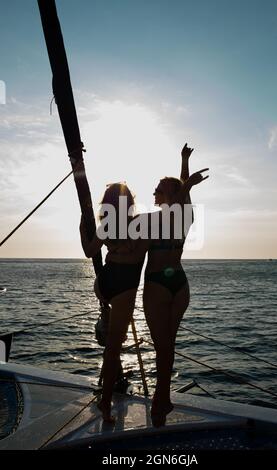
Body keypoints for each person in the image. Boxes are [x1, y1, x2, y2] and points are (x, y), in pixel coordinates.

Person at [143, 143, 209, 427]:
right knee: (166, 345)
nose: (154, 193)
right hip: (178, 284)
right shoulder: (183, 217)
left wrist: (185, 180)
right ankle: (163, 397)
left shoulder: (159, 219)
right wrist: (184, 162)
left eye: (158, 189)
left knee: (163, 345)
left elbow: (182, 196)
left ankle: (160, 400)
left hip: (160, 284)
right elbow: (183, 195)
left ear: (168, 194)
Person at [80, 182, 148, 422]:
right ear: (129, 202)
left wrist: (84, 228)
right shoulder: (139, 223)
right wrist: (123, 250)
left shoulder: (107, 225)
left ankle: (106, 318)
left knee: (113, 345)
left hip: (105, 285)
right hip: (123, 289)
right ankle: (105, 402)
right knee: (113, 350)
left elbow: (90, 251)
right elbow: (137, 255)